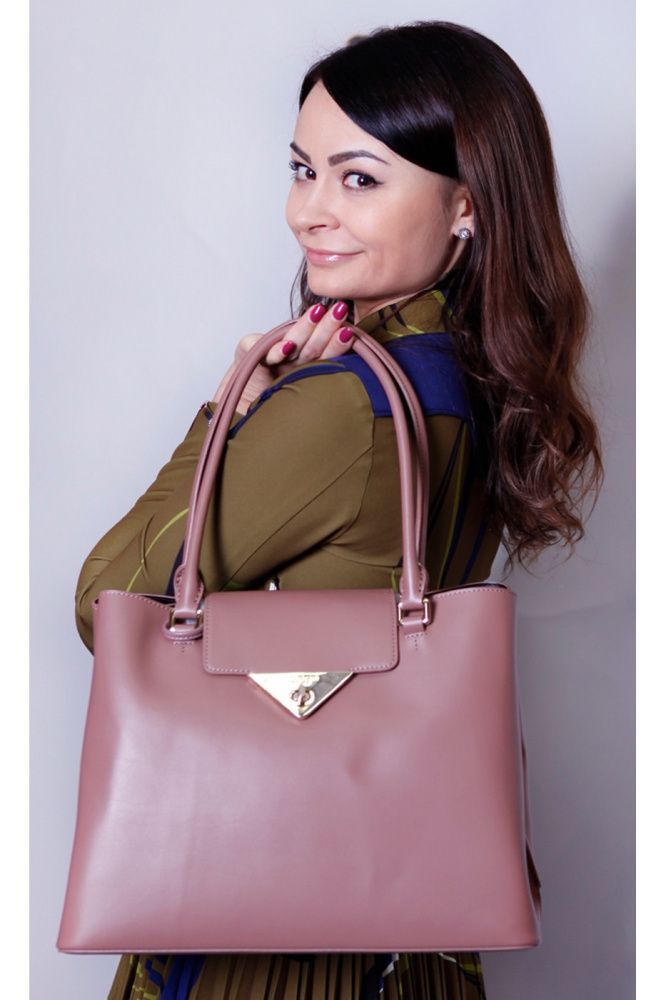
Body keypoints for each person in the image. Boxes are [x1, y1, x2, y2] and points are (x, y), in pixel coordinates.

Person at [73, 20, 603, 1000]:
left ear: (467, 204)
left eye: (358, 178)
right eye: (302, 169)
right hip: (414, 935)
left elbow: (111, 602)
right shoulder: (478, 383)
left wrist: (230, 407)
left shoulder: (344, 406)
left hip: (272, 942)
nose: (309, 210)